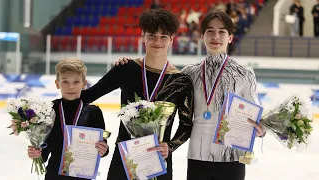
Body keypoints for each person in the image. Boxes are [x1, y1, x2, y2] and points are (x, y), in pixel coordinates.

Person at [116, 10, 264, 180]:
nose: (215, 36)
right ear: (202, 36)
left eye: (222, 32)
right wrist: (127, 65)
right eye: (210, 31)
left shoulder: (244, 73)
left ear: (230, 37)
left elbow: (256, 113)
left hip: (230, 156)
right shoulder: (189, 73)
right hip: (197, 156)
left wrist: (261, 129)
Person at [80, 8, 194, 180]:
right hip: (124, 159)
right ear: (142, 36)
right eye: (151, 35)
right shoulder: (126, 68)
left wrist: (170, 147)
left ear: (172, 39)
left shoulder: (181, 81)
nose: (157, 41)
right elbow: (87, 97)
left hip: (158, 160)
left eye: (163, 36)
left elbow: (186, 125)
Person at [27, 58, 109, 180]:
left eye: (76, 82)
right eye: (65, 82)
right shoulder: (48, 110)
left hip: (82, 175)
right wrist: (36, 153)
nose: (71, 86)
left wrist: (104, 149)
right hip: (55, 175)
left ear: (84, 83)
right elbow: (44, 150)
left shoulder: (94, 112)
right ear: (57, 83)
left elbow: (102, 145)